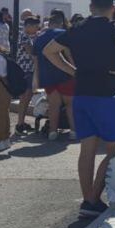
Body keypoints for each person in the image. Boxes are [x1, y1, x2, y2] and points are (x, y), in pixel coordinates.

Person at [43, 0, 115, 218]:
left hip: (82, 93)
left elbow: (49, 51)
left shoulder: (77, 28)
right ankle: (93, 197)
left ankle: (88, 199)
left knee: (87, 149)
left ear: (91, 7)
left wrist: (72, 70)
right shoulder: (114, 27)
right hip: (107, 94)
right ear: (112, 8)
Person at [34, 10, 75, 140]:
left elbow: (36, 62)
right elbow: (69, 55)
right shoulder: (64, 34)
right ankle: (74, 131)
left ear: (49, 24)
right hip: (66, 75)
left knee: (53, 104)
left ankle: (53, 132)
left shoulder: (39, 39)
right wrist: (75, 71)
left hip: (47, 76)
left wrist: (37, 79)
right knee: (70, 104)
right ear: (61, 23)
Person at [14, 17, 39, 134]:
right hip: (25, 70)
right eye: (35, 26)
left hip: (27, 69)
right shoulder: (23, 36)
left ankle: (21, 122)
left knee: (26, 98)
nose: (36, 29)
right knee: (25, 97)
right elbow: (31, 53)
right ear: (29, 25)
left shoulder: (27, 36)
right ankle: (19, 124)